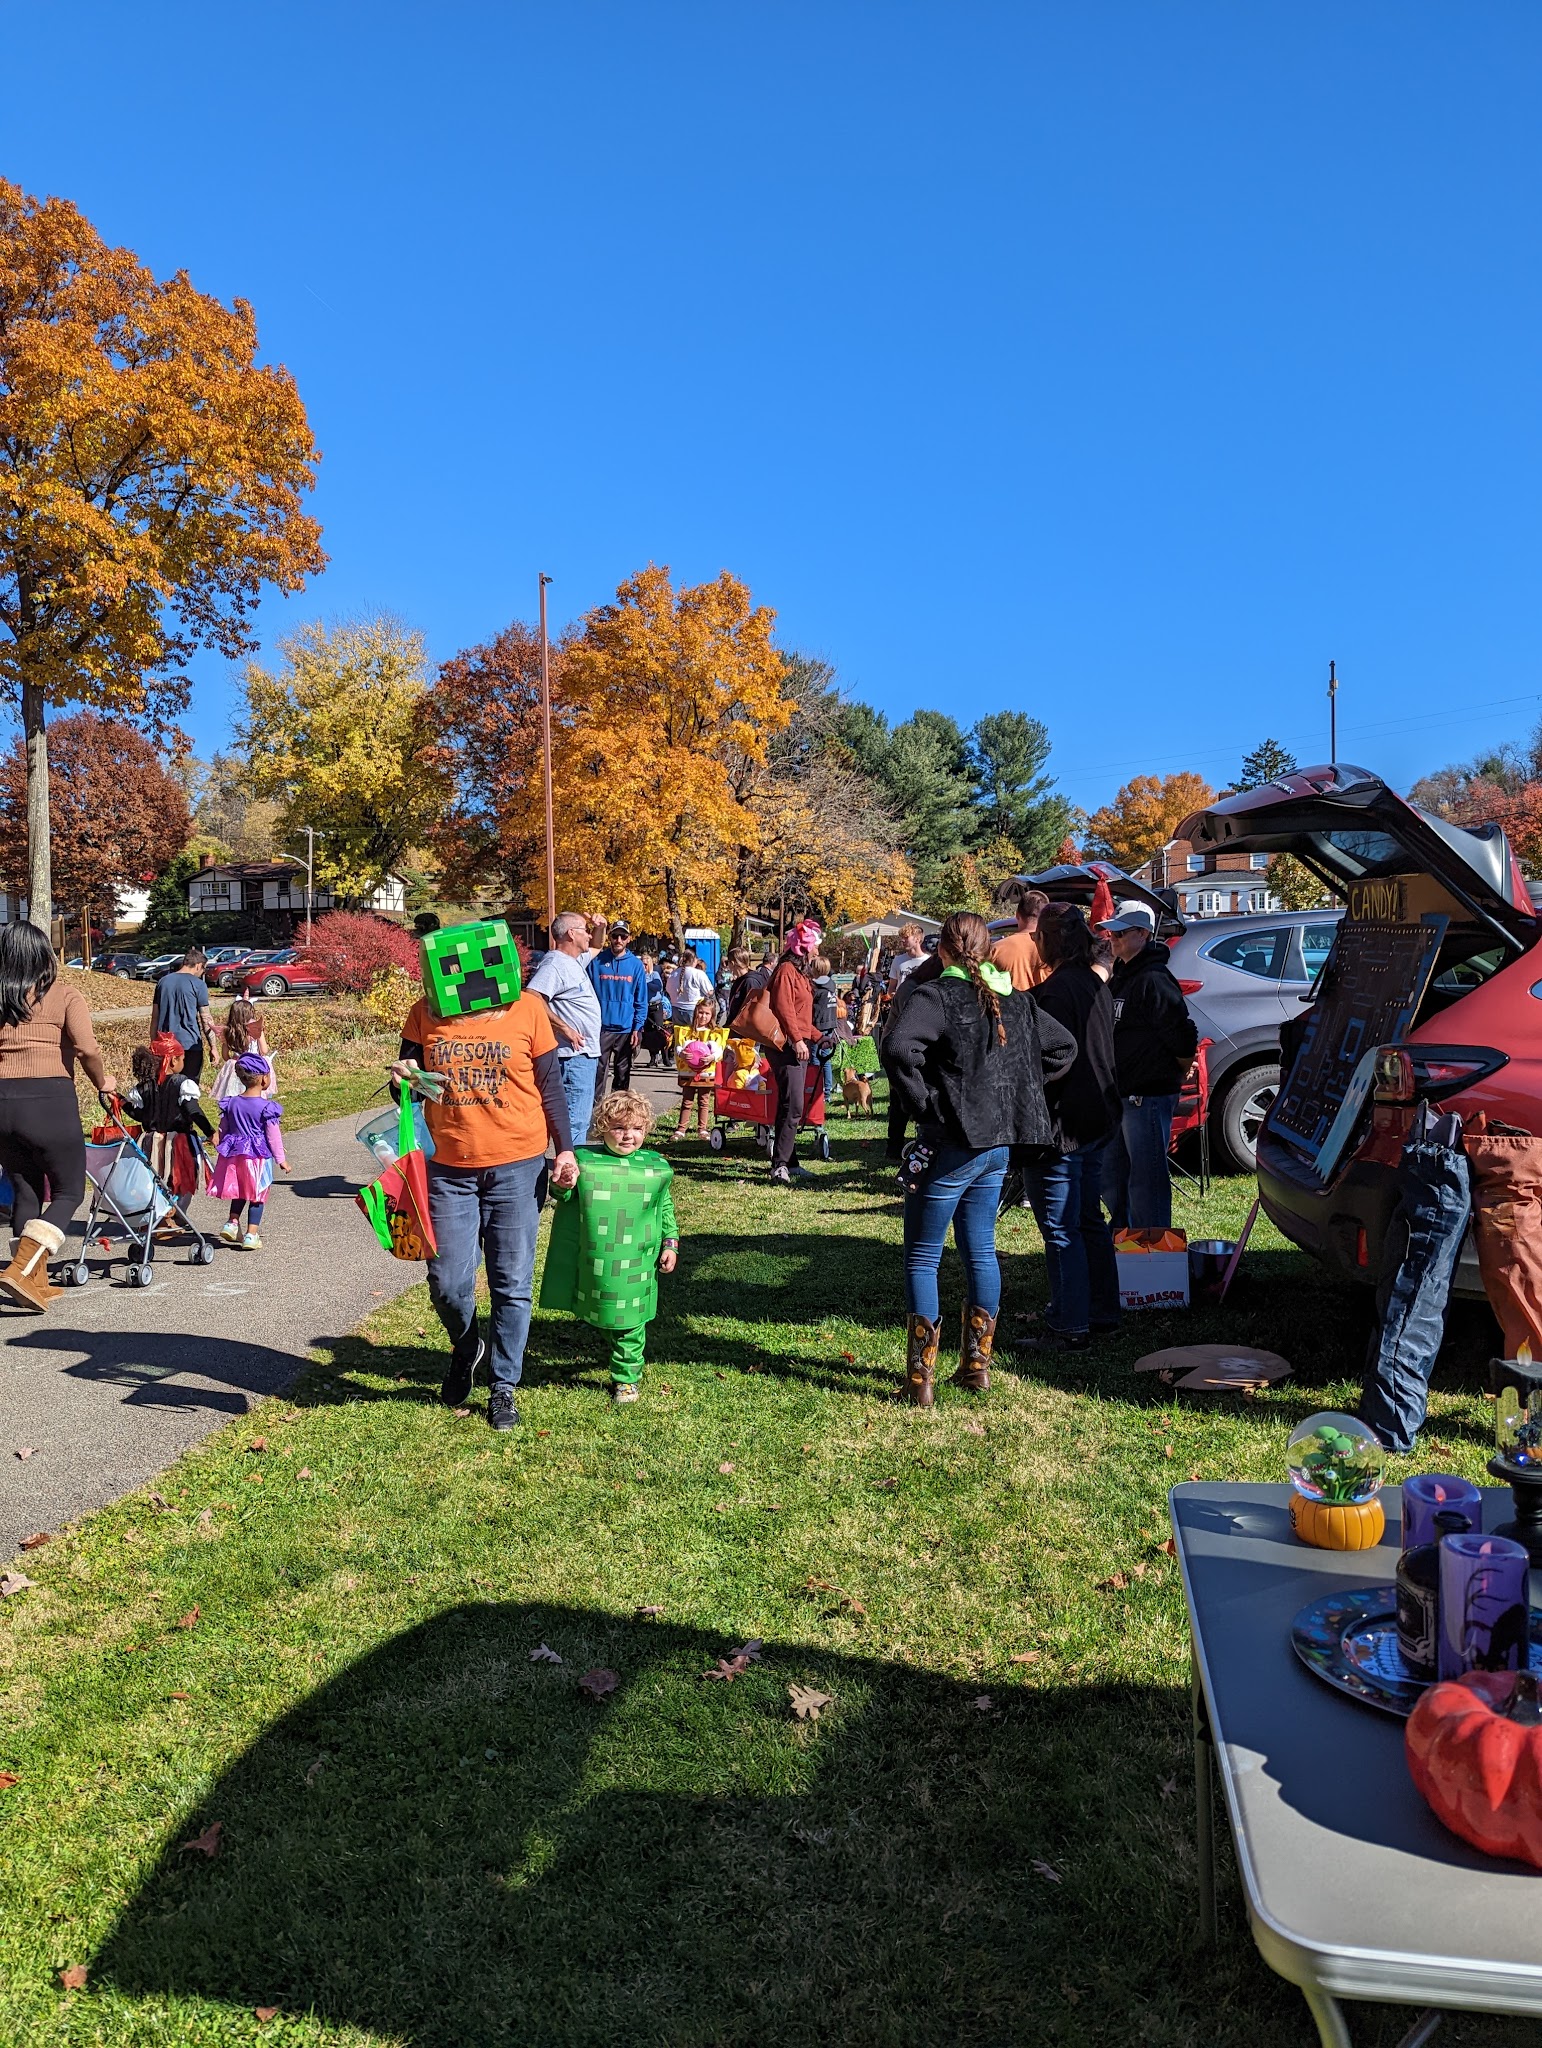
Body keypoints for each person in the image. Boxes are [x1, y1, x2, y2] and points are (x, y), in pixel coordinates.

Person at [881, 910, 1076, 1405]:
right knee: (980, 1251)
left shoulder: (936, 996)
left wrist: (925, 1103)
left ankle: (920, 1381)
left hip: (952, 1144)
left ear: (942, 949)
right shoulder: (1015, 1000)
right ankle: (975, 1367)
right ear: (987, 950)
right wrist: (1014, 1091)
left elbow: (898, 1047)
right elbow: (1062, 1048)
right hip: (996, 1147)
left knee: (923, 1258)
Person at [393, 918, 578, 1432]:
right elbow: (407, 1091)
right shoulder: (426, 1012)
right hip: (448, 1167)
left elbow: (551, 1088)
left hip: (518, 1164)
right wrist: (404, 1080)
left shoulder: (528, 1009)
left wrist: (565, 1150)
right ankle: (466, 1343)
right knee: (447, 1281)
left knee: (511, 1282)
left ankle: (503, 1385)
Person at [1016, 906, 1123, 1352]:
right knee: (1085, 1219)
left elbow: (1049, 1063)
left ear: (1050, 941)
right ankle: (1099, 1310)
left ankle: (1069, 1324)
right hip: (1095, 1116)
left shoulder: (1057, 992)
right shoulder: (1091, 983)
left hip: (1066, 1124)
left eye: (1039, 936)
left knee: (1062, 1227)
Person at [0, 922, 118, 1310]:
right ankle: (21, 1269)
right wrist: (105, 1082)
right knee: (70, 1191)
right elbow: (86, 1050)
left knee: (26, 1189)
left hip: (2, 1104)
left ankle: (34, 1279)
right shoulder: (64, 995)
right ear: (44, 955)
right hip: (48, 1100)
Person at [538, 1088, 678, 1405]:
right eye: (619, 1128)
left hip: (637, 1263)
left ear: (647, 1129)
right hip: (596, 1261)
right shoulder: (586, 1163)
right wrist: (562, 1184)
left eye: (637, 1129)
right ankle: (616, 1346)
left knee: (630, 1322)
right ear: (602, 1127)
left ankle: (626, 1379)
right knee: (606, 1316)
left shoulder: (655, 1169)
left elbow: (664, 1207)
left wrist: (670, 1242)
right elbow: (564, 1196)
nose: (628, 1136)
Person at [1098, 903, 1198, 1231]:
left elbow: (1182, 1034)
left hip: (1147, 1096)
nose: (1112, 938)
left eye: (1121, 932)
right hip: (1120, 1093)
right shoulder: (1122, 975)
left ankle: (1153, 1253)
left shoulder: (1154, 978)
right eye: (1111, 931)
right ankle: (1125, 1241)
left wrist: (1182, 1065)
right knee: (1113, 1177)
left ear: (1142, 934)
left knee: (1146, 1180)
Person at [526, 910, 603, 1146]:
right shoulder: (555, 964)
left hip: (582, 1054)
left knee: (578, 1119)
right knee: (575, 1120)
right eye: (585, 930)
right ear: (571, 934)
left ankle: (568, 1166)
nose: (589, 935)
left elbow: (597, 946)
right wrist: (564, 1028)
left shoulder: (573, 960)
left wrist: (601, 926)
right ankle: (568, 1171)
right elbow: (532, 995)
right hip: (572, 1056)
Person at [763, 920, 825, 1187]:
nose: (818, 951)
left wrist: (821, 1037)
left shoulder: (800, 973)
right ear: (804, 947)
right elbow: (783, 1008)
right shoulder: (786, 970)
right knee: (794, 1106)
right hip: (786, 1048)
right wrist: (798, 1040)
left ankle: (789, 1161)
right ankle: (779, 1166)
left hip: (797, 1044)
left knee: (789, 1105)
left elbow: (800, 1016)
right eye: (816, 946)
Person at [125, 1032, 215, 1205]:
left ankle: (158, 1215)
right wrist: (210, 1132)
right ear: (173, 1060)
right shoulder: (182, 1083)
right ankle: (176, 1215)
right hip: (178, 1143)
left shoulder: (143, 1087)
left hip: (150, 1144)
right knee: (183, 1179)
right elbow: (192, 1109)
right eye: (182, 1059)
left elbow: (139, 1115)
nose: (184, 1062)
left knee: (155, 1180)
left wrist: (123, 1103)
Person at [209, 1054, 286, 1249]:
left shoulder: (231, 1103)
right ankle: (252, 1234)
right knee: (257, 1194)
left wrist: (220, 1139)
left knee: (240, 1190)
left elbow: (223, 1128)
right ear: (262, 1079)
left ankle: (232, 1222)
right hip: (258, 1157)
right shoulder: (266, 1107)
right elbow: (273, 1136)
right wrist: (281, 1159)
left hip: (236, 1155)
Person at [587, 920, 648, 1094]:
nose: (619, 940)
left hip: (626, 1029)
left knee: (622, 1074)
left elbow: (641, 999)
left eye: (623, 936)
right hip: (601, 1027)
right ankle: (595, 1111)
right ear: (609, 937)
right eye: (615, 936)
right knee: (598, 1072)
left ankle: (618, 1112)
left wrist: (638, 1027)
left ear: (629, 939)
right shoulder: (597, 961)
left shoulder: (636, 965)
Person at [151, 946, 216, 1083]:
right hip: (190, 1044)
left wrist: (153, 1043)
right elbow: (206, 1019)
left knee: (166, 1087)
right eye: (203, 969)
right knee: (189, 1088)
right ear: (198, 966)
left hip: (165, 1044)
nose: (203, 973)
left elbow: (155, 1017)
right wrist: (213, 1047)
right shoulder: (198, 985)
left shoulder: (162, 982)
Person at [672, 996, 727, 1139]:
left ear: (712, 1015)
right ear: (696, 1012)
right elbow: (679, 1046)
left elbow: (719, 1051)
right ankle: (681, 1129)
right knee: (687, 1100)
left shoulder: (715, 1033)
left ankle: (702, 1129)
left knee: (704, 1101)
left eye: (707, 1013)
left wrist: (711, 1057)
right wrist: (682, 1054)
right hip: (688, 1072)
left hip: (706, 1074)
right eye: (701, 1012)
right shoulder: (687, 1032)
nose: (703, 1016)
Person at [210, 999, 276, 1100]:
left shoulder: (228, 1031)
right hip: (254, 1064)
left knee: (235, 1094)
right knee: (255, 1092)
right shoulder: (256, 1028)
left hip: (238, 1063)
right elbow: (264, 1050)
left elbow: (225, 1055)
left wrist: (233, 1061)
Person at [991, 886, 1050, 991]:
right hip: (1046, 1006)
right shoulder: (1056, 949)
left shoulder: (997, 949)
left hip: (1011, 1006)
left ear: (1017, 914)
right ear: (1045, 917)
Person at [810, 953, 839, 1110]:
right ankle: (827, 1092)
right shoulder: (831, 984)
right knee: (825, 1058)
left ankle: (817, 1091)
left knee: (815, 1058)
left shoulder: (815, 987)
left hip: (818, 1025)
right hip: (830, 1024)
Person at [638, 950, 671, 1067]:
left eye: (646, 964)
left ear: (650, 964)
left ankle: (666, 1057)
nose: (644, 966)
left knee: (660, 1032)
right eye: (642, 963)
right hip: (645, 1007)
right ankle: (652, 1059)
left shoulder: (654, 975)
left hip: (656, 1007)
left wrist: (645, 984)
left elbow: (658, 986)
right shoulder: (638, 975)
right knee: (648, 1034)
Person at [665, 947, 714, 1023]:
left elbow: (668, 989)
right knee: (694, 1034)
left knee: (679, 1034)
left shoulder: (673, 973)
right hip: (693, 1009)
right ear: (694, 960)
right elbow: (709, 992)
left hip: (676, 1009)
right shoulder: (698, 973)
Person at [724, 945, 767, 1026]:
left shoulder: (750, 981)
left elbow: (753, 1010)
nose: (727, 966)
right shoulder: (741, 980)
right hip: (735, 1028)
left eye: (727, 963)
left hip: (744, 1031)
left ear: (732, 963)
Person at [886, 923, 928, 994]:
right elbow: (891, 987)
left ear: (917, 939)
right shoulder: (898, 960)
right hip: (901, 1003)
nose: (902, 940)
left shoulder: (928, 961)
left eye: (906, 937)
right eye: (902, 937)